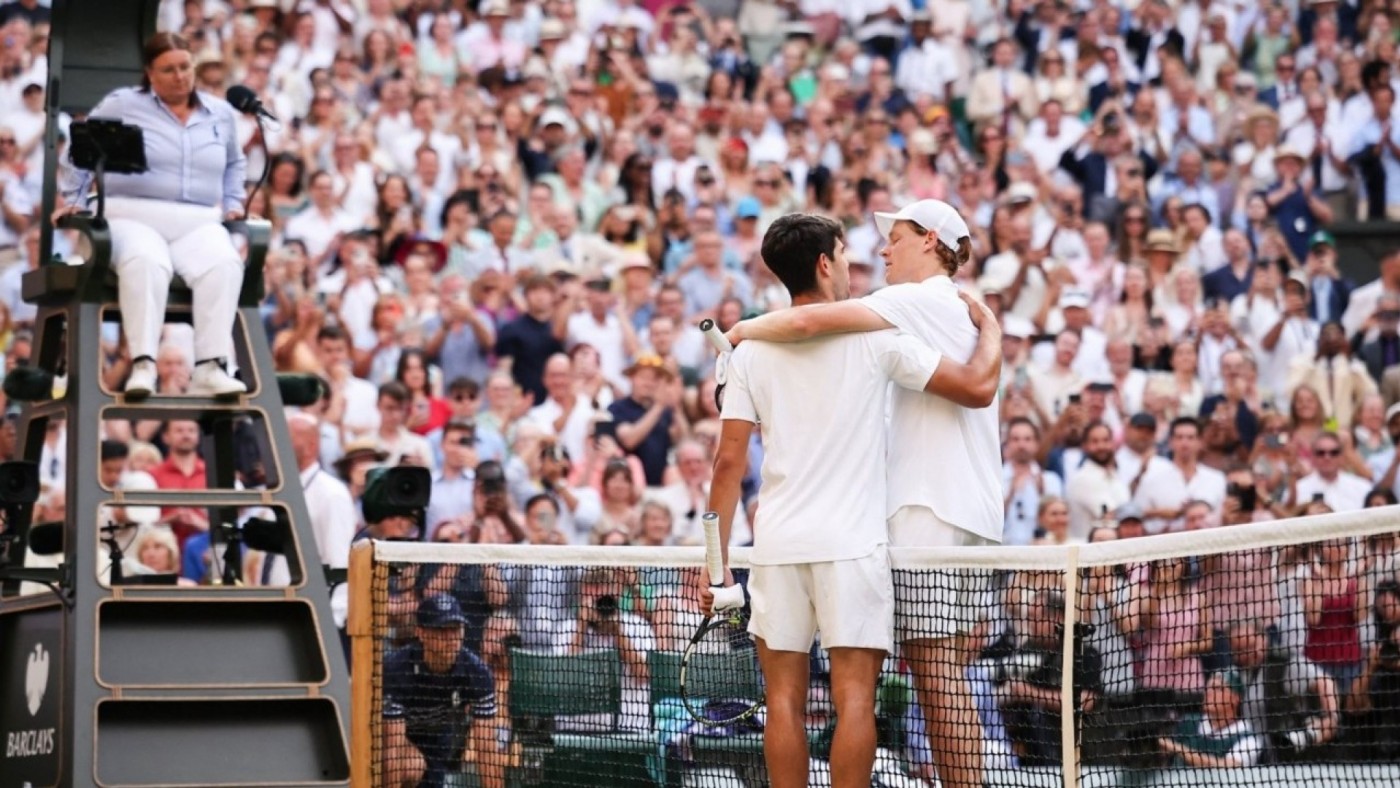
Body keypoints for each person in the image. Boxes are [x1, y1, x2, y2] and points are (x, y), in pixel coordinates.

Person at [706, 213, 1001, 788]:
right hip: (852, 549)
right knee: (855, 702)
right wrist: (993, 332)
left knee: (783, 699)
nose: (856, 264)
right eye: (844, 254)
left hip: (779, 545)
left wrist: (716, 566)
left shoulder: (747, 355)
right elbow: (974, 388)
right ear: (824, 263)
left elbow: (726, 465)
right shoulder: (881, 338)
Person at [58, 32, 247, 399]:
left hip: (198, 219)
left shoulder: (220, 112)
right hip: (133, 214)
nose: (179, 76)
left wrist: (233, 200)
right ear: (150, 72)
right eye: (168, 70)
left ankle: (210, 366)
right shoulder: (124, 103)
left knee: (224, 262)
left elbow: (235, 164)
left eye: (185, 67)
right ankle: (143, 365)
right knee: (146, 260)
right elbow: (79, 149)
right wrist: (75, 199)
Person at [381, 594, 504, 788]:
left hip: (437, 742)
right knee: (410, 767)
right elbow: (392, 747)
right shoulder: (395, 669)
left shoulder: (478, 673)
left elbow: (487, 746)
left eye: (455, 629)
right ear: (421, 633)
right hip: (391, 740)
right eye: (441, 630)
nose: (451, 638)